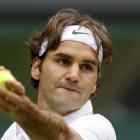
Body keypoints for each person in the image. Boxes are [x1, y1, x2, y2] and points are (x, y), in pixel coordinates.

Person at [0, 8, 116, 140]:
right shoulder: (13, 133)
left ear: (95, 83)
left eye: (86, 67)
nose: (73, 75)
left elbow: (61, 137)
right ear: (37, 67)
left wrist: (24, 113)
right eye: (63, 61)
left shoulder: (100, 129)